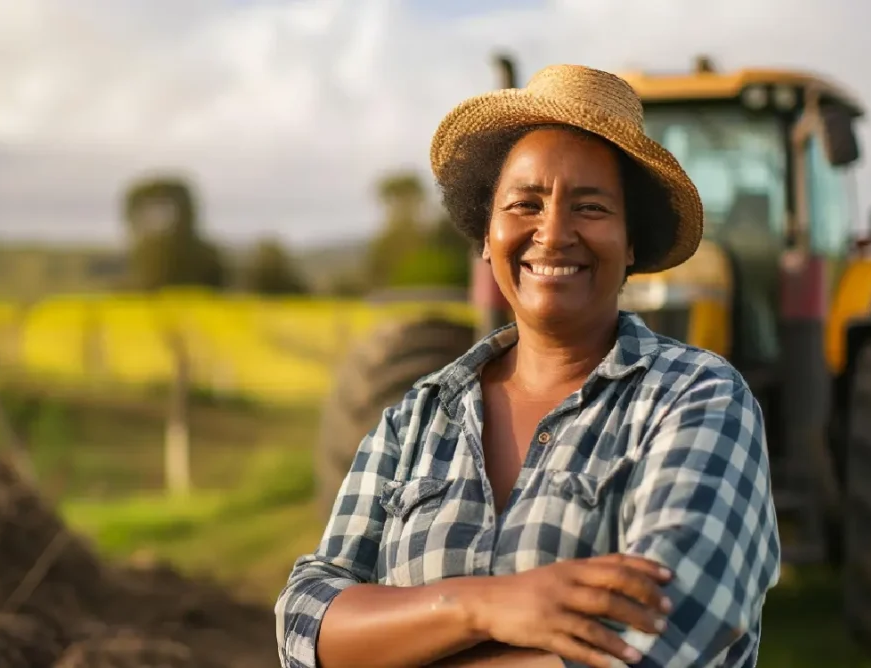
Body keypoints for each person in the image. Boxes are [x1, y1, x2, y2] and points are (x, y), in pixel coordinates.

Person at [275, 63, 781, 668]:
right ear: (486, 234)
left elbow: (654, 645)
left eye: (590, 208)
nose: (554, 231)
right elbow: (306, 617)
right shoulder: (415, 421)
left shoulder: (697, 399)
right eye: (525, 203)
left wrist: (400, 643)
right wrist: (482, 606)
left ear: (633, 244)